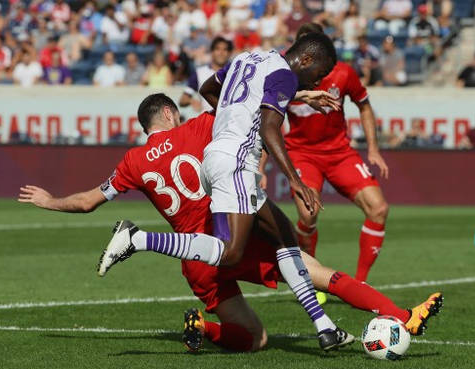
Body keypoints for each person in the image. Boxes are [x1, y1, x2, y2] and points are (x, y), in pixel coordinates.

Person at [19, 93, 443, 352]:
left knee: (255, 338)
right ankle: (402, 316)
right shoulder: (201, 127)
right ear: (169, 114)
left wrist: (50, 200)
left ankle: (204, 327)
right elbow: (257, 105)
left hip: (196, 259)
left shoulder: (131, 162)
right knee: (317, 272)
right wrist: (306, 96)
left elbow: (88, 202)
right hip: (230, 231)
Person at [101, 34, 354, 351]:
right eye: (319, 72)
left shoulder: (250, 58)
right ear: (306, 59)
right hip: (237, 161)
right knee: (231, 251)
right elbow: (269, 128)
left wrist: (235, 115)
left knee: (285, 236)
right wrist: (295, 180)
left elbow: (208, 89)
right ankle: (138, 239)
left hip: (219, 156)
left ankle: (324, 327)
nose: (319, 79)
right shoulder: (285, 74)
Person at [280, 23, 389, 282]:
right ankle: (310, 279)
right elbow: (268, 121)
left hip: (340, 153)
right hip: (302, 153)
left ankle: (360, 283)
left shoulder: (343, 73)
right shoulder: (283, 75)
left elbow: (364, 105)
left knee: (379, 208)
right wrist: (261, 167)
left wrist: (373, 148)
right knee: (308, 214)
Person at [179, 37, 233, 113]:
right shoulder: (199, 73)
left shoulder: (235, 73)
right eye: (217, 49)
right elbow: (182, 100)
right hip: (207, 120)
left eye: (225, 49)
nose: (221, 52)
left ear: (229, 53)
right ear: (212, 52)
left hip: (228, 120)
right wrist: (192, 101)